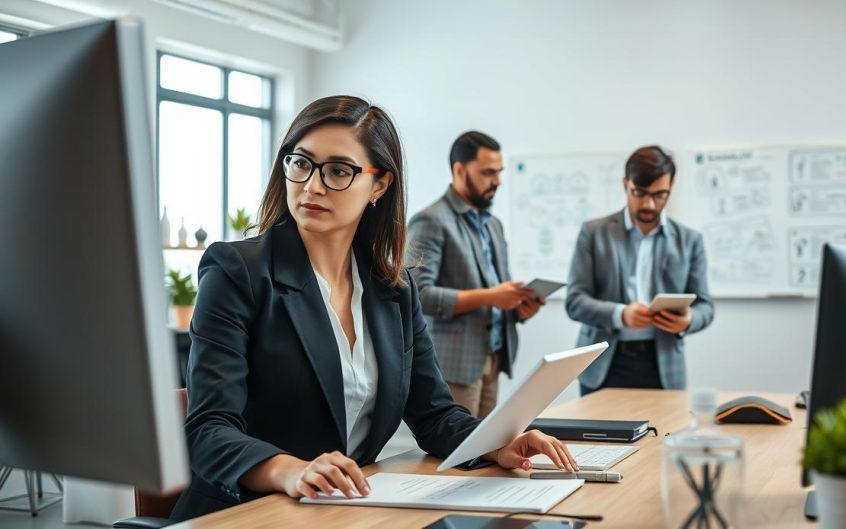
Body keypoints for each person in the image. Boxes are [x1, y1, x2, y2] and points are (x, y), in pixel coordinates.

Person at [171, 98, 575, 521]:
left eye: (338, 171)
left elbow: (434, 413)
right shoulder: (237, 271)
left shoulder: (393, 289)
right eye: (301, 163)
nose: (312, 185)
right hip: (245, 514)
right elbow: (208, 431)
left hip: (343, 513)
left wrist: (496, 443)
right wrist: (291, 471)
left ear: (379, 185)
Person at [406, 131, 545, 418]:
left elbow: (497, 291)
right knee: (459, 455)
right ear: (459, 170)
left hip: (493, 357)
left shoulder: (493, 224)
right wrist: (492, 297)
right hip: (454, 364)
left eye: (499, 172)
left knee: (486, 451)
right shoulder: (430, 220)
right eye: (488, 173)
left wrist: (519, 309)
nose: (497, 181)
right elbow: (418, 294)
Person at [565, 145, 714, 395]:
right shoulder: (593, 233)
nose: (649, 204)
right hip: (603, 366)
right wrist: (621, 315)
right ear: (626, 184)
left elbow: (706, 307)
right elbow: (575, 301)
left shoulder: (690, 241)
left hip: (663, 367)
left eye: (659, 195)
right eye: (639, 193)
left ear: (671, 187)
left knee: (663, 434)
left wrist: (688, 321)